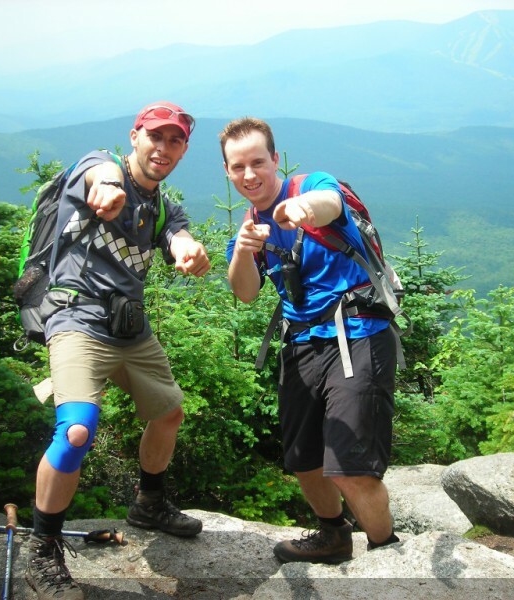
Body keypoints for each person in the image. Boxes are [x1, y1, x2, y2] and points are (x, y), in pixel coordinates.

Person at [26, 101, 210, 600]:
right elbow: (99, 176)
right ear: (135, 136)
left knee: (169, 414)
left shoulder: (164, 207)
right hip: (77, 320)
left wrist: (189, 251)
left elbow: (179, 237)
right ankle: (43, 546)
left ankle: (149, 503)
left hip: (131, 329)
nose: (163, 148)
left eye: (175, 141)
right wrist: (105, 188)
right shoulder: (96, 166)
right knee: (78, 428)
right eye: (156, 136)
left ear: (184, 149)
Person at [221, 117, 400, 565]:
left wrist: (304, 209)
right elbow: (244, 292)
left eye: (258, 162)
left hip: (357, 332)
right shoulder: (249, 226)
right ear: (228, 172)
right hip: (301, 344)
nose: (249, 175)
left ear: (275, 160)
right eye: (238, 167)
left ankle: (386, 554)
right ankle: (333, 535)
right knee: (304, 459)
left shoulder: (309, 185)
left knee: (351, 466)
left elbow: (330, 202)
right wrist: (244, 250)